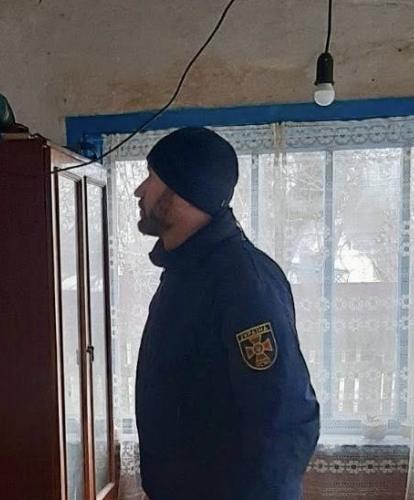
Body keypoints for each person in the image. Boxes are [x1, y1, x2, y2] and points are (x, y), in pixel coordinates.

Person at [133, 127, 320, 500]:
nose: (139, 190)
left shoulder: (242, 281)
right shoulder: (185, 272)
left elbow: (283, 420)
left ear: (184, 191)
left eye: (152, 177)